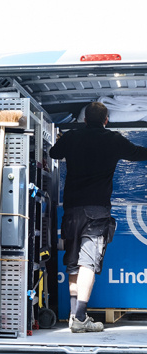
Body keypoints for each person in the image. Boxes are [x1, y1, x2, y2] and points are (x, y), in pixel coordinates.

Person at [49, 101, 147, 333]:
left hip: (72, 210)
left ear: (84, 119)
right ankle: (81, 317)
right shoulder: (113, 139)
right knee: (88, 263)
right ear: (106, 120)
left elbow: (53, 152)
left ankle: (75, 315)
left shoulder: (73, 137)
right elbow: (139, 154)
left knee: (73, 264)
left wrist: (67, 138)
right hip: (97, 211)